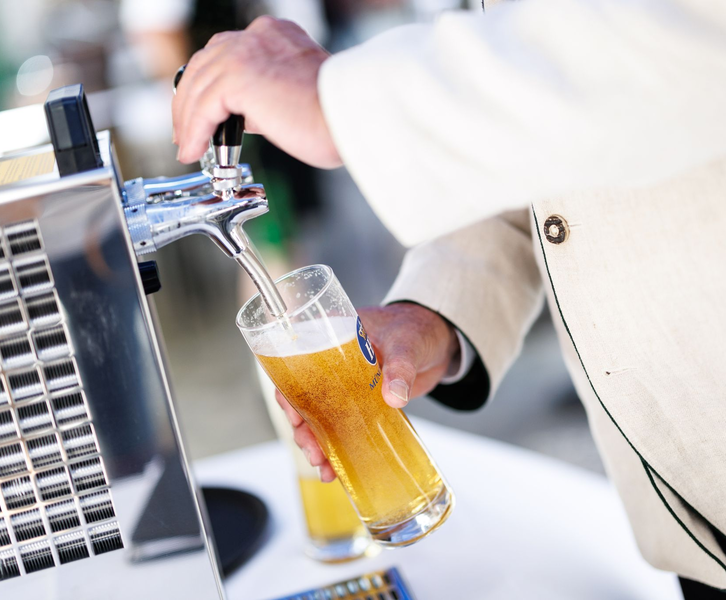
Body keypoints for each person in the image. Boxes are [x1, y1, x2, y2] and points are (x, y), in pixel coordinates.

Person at [171, 2, 726, 596]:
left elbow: (689, 30)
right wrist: (434, 309)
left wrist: (344, 101)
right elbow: (541, 166)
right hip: (691, 517)